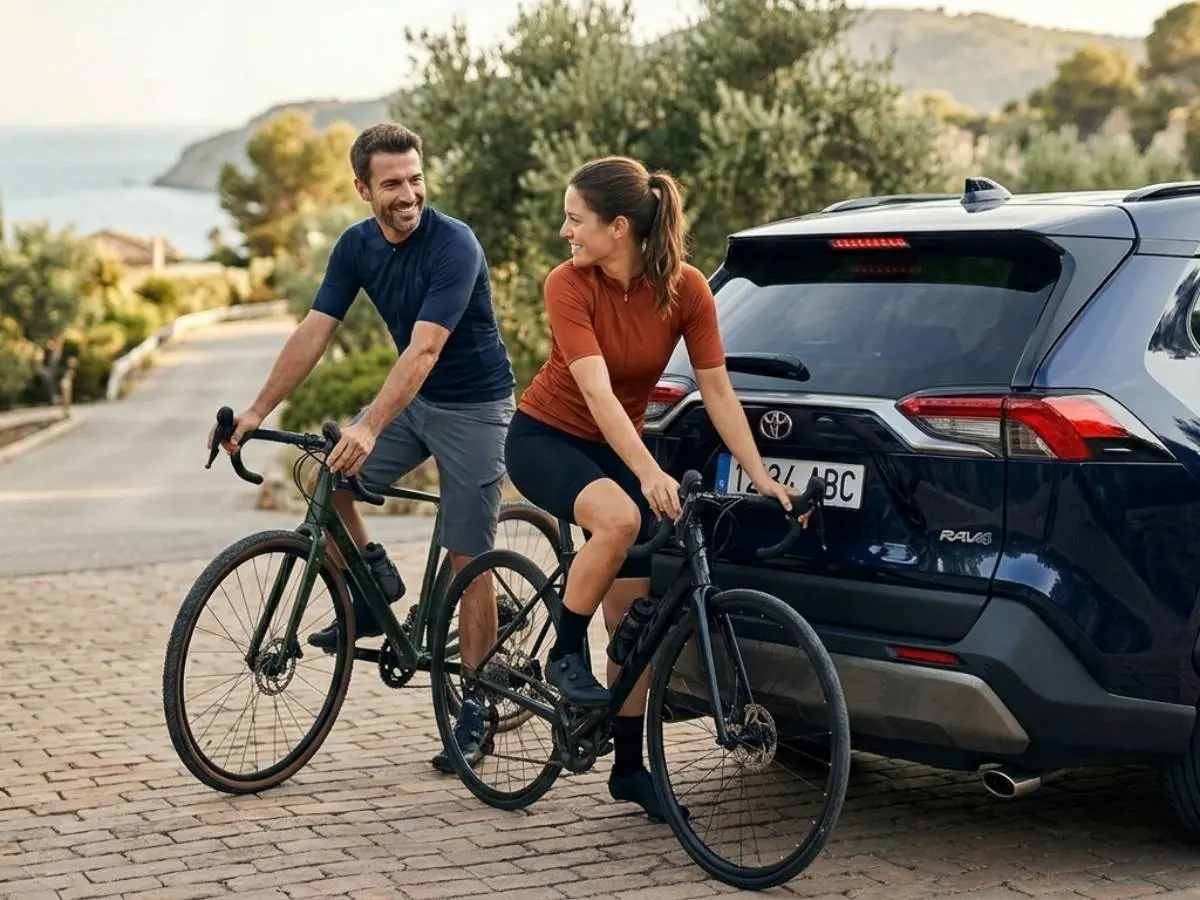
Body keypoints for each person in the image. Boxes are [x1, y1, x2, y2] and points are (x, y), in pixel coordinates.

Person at [212, 122, 515, 774]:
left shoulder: (453, 244)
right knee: (321, 473)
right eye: (391, 183)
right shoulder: (355, 246)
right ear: (361, 188)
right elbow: (315, 330)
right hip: (416, 402)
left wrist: (370, 425)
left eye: (415, 179)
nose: (407, 194)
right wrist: (257, 411)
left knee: (469, 558)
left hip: (474, 406)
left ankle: (478, 701)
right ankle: (371, 579)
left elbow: (425, 349)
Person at [504, 155, 796, 822]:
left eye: (575, 221)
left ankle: (630, 771)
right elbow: (599, 395)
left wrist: (758, 473)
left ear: (619, 227)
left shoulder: (687, 288)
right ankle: (564, 649)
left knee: (632, 629)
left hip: (617, 446)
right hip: (546, 437)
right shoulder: (568, 285)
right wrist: (645, 472)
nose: (565, 232)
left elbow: (717, 389)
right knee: (619, 522)